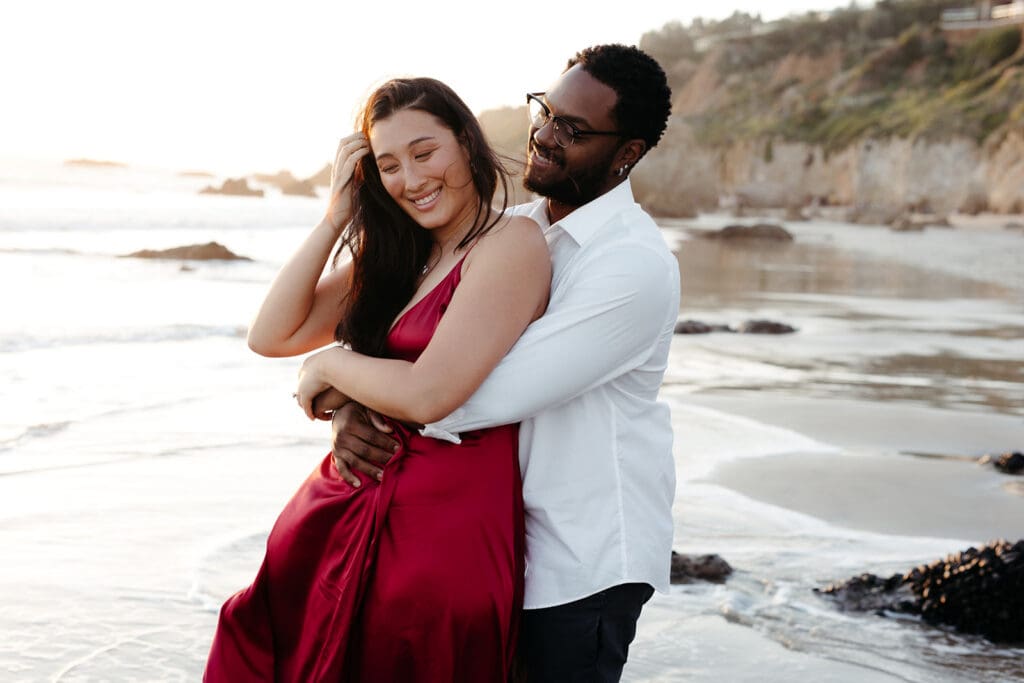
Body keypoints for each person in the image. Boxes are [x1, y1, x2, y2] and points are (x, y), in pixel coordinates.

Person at [326, 44, 679, 682]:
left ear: (626, 153)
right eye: (545, 111)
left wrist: (334, 378)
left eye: (573, 130)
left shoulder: (632, 266)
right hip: (497, 544)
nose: (544, 136)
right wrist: (348, 400)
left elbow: (469, 395)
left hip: (582, 561)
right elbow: (413, 353)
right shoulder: (514, 229)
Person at [204, 77, 551, 682]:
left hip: (441, 533)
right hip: (337, 514)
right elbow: (271, 335)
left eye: (425, 153)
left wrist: (326, 366)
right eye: (388, 166)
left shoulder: (510, 243)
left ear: (467, 142)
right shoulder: (399, 254)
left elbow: (430, 393)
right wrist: (335, 216)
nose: (411, 180)